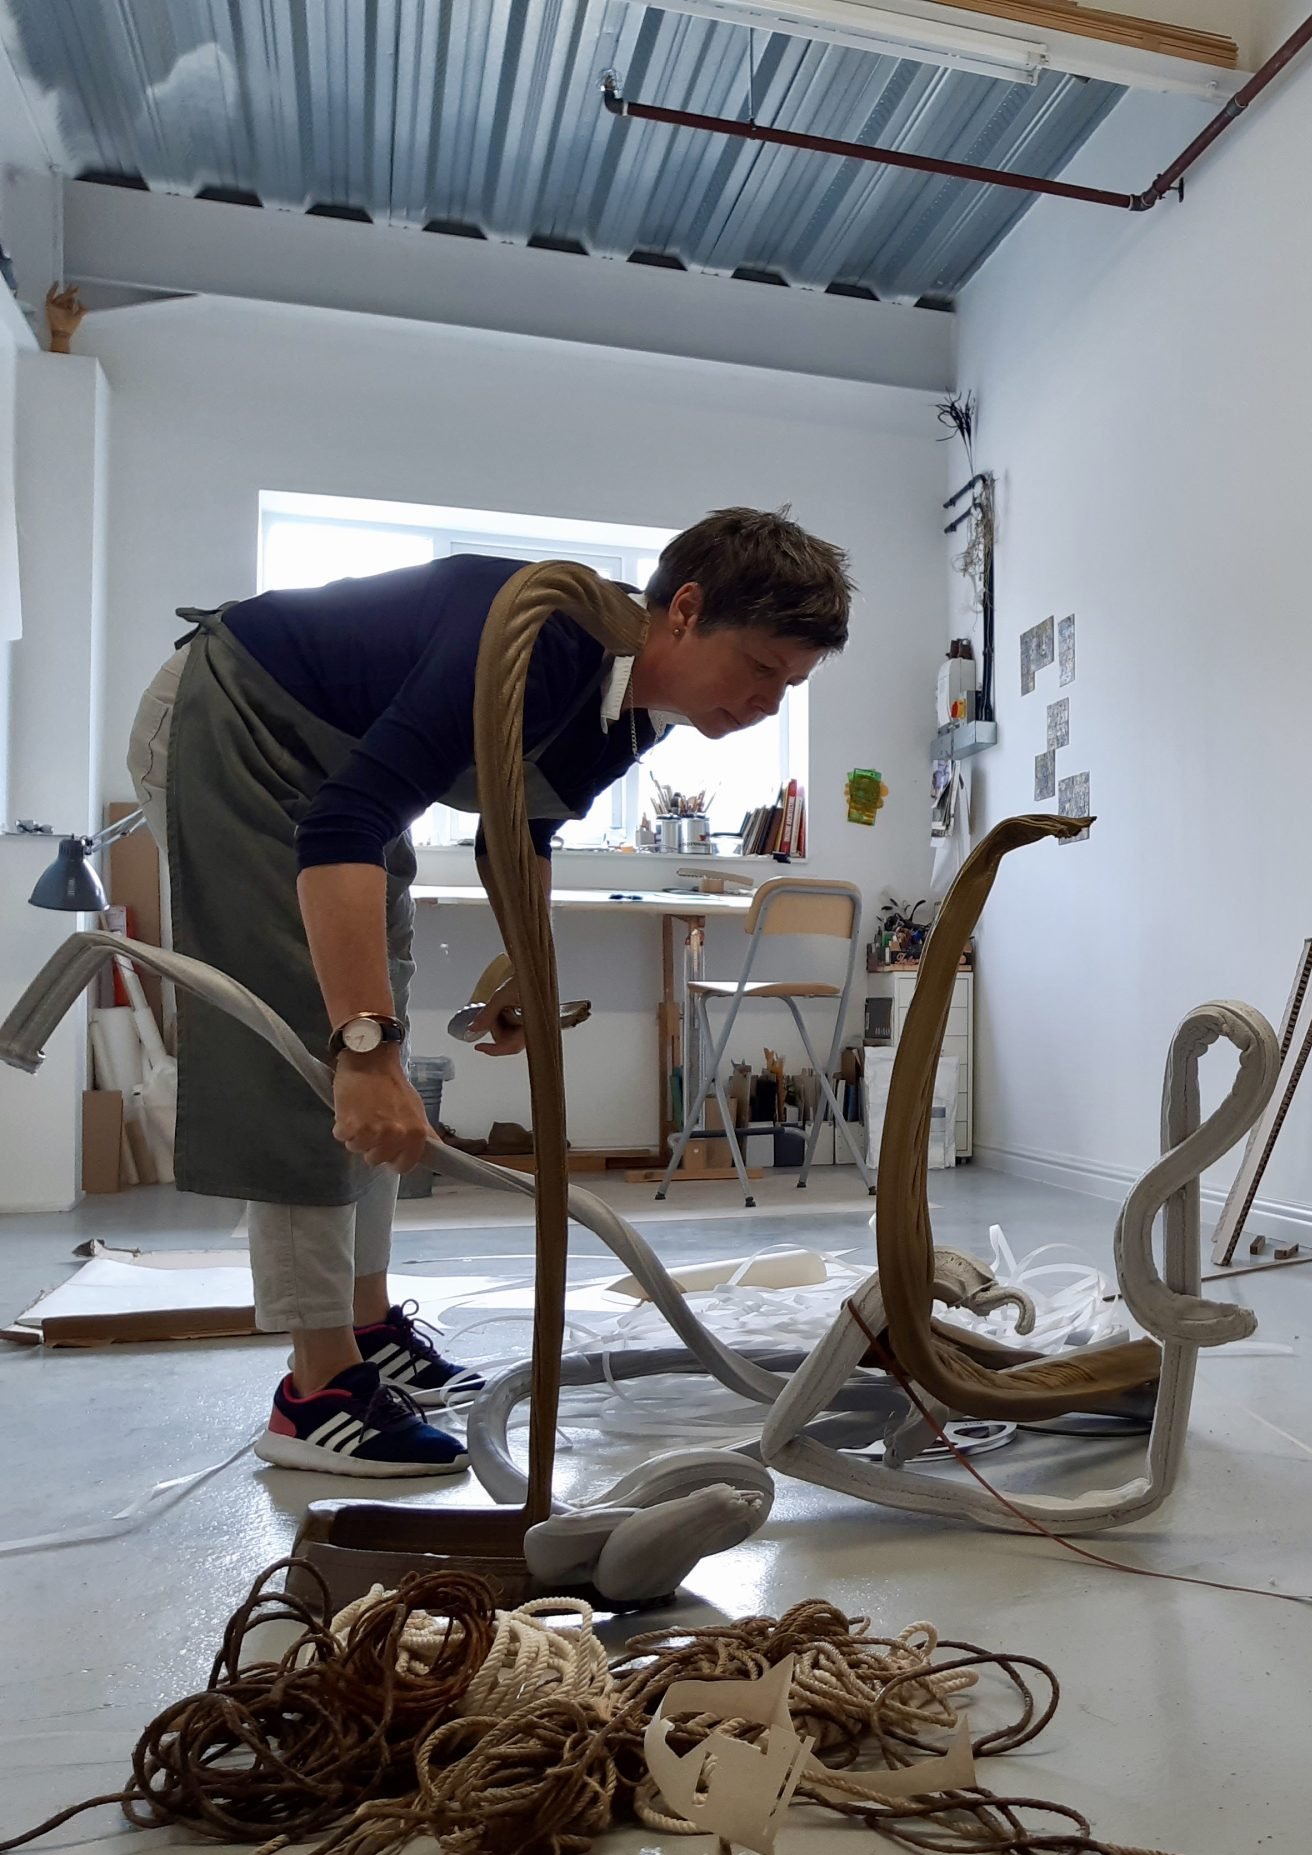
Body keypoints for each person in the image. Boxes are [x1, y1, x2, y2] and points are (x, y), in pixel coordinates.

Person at [124, 507, 853, 1478]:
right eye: (762, 669)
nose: (767, 704)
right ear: (683, 611)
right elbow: (344, 822)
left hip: (335, 773)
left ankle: (367, 1323)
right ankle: (315, 1390)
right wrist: (363, 1047)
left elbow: (522, 833)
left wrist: (523, 973)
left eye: (790, 687)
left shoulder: (633, 712)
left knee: (379, 1000)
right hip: (238, 715)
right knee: (316, 1048)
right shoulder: (541, 637)